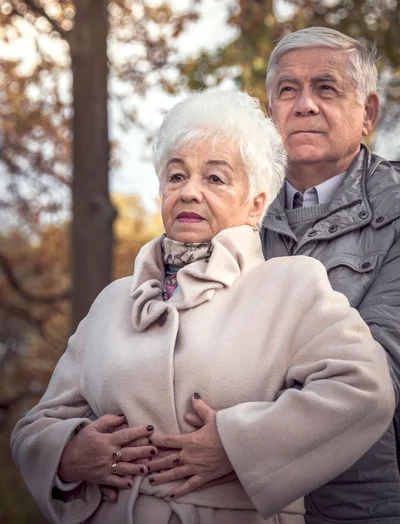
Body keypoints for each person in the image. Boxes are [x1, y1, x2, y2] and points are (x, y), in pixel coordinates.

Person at [11, 90, 394, 524]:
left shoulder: (292, 284)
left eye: (214, 179)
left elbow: (365, 390)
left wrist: (237, 446)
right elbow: (35, 427)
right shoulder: (113, 301)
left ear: (255, 204)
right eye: (176, 177)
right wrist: (69, 453)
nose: (189, 192)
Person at [261, 26, 400, 523]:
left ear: (368, 113)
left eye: (326, 87)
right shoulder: (229, 208)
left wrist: (236, 439)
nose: (304, 105)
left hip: (362, 505)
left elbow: (377, 372)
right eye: (288, 90)